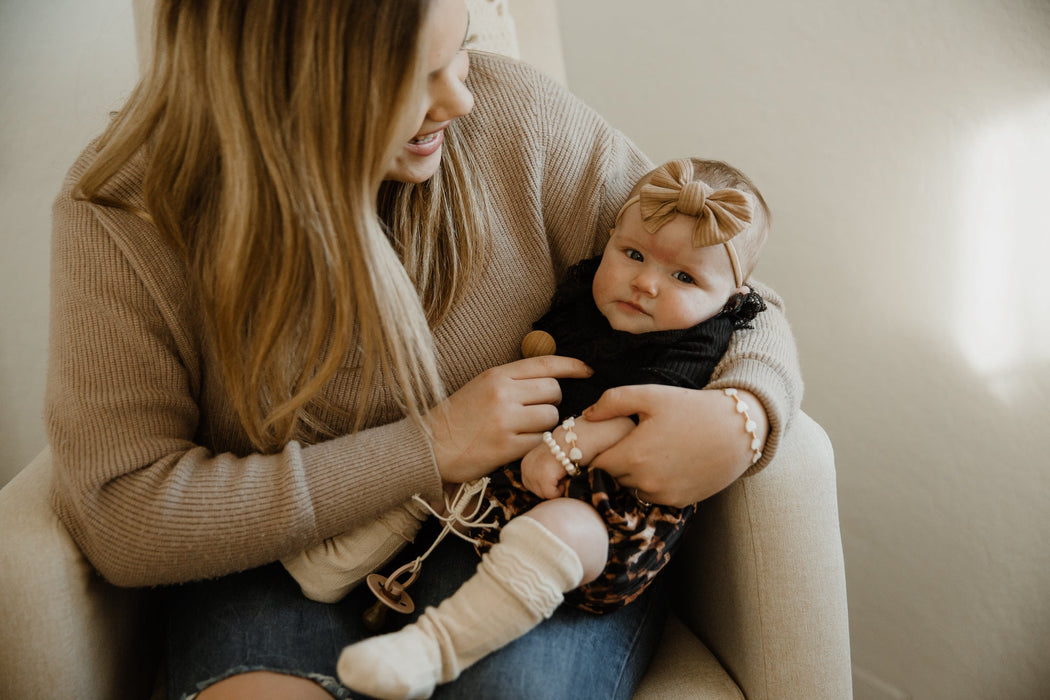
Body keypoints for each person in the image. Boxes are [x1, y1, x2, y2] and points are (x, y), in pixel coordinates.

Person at [45, 1, 801, 698]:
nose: (460, 99)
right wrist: (429, 447)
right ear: (282, 88)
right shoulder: (129, 215)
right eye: (413, 77)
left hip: (533, 533)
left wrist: (745, 414)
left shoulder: (516, 116)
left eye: (460, 51)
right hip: (277, 558)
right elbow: (124, 512)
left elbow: (727, 286)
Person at [333, 158, 771, 698]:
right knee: (441, 477)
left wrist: (568, 448)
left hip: (611, 514)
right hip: (517, 476)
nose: (645, 282)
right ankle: (339, 561)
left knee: (564, 527)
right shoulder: (587, 288)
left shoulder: (700, 338)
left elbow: (644, 418)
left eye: (683, 277)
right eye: (633, 254)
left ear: (730, 298)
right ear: (611, 237)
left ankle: (434, 648)